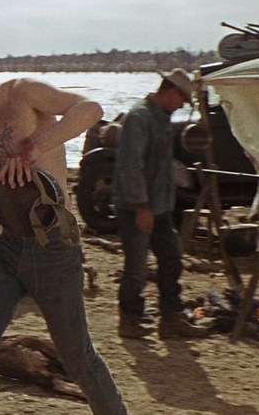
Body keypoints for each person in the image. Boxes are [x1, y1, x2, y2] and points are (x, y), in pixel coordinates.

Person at [0, 50, 127, 415]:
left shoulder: (25, 92)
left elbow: (91, 109)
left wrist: (32, 150)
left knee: (77, 359)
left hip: (54, 246)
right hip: (4, 246)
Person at [114, 69, 210, 339]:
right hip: (138, 207)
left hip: (160, 206)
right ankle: (130, 319)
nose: (181, 105)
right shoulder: (139, 117)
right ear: (171, 92)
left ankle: (171, 316)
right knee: (136, 266)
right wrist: (141, 207)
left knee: (172, 258)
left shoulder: (162, 120)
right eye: (182, 100)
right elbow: (131, 167)